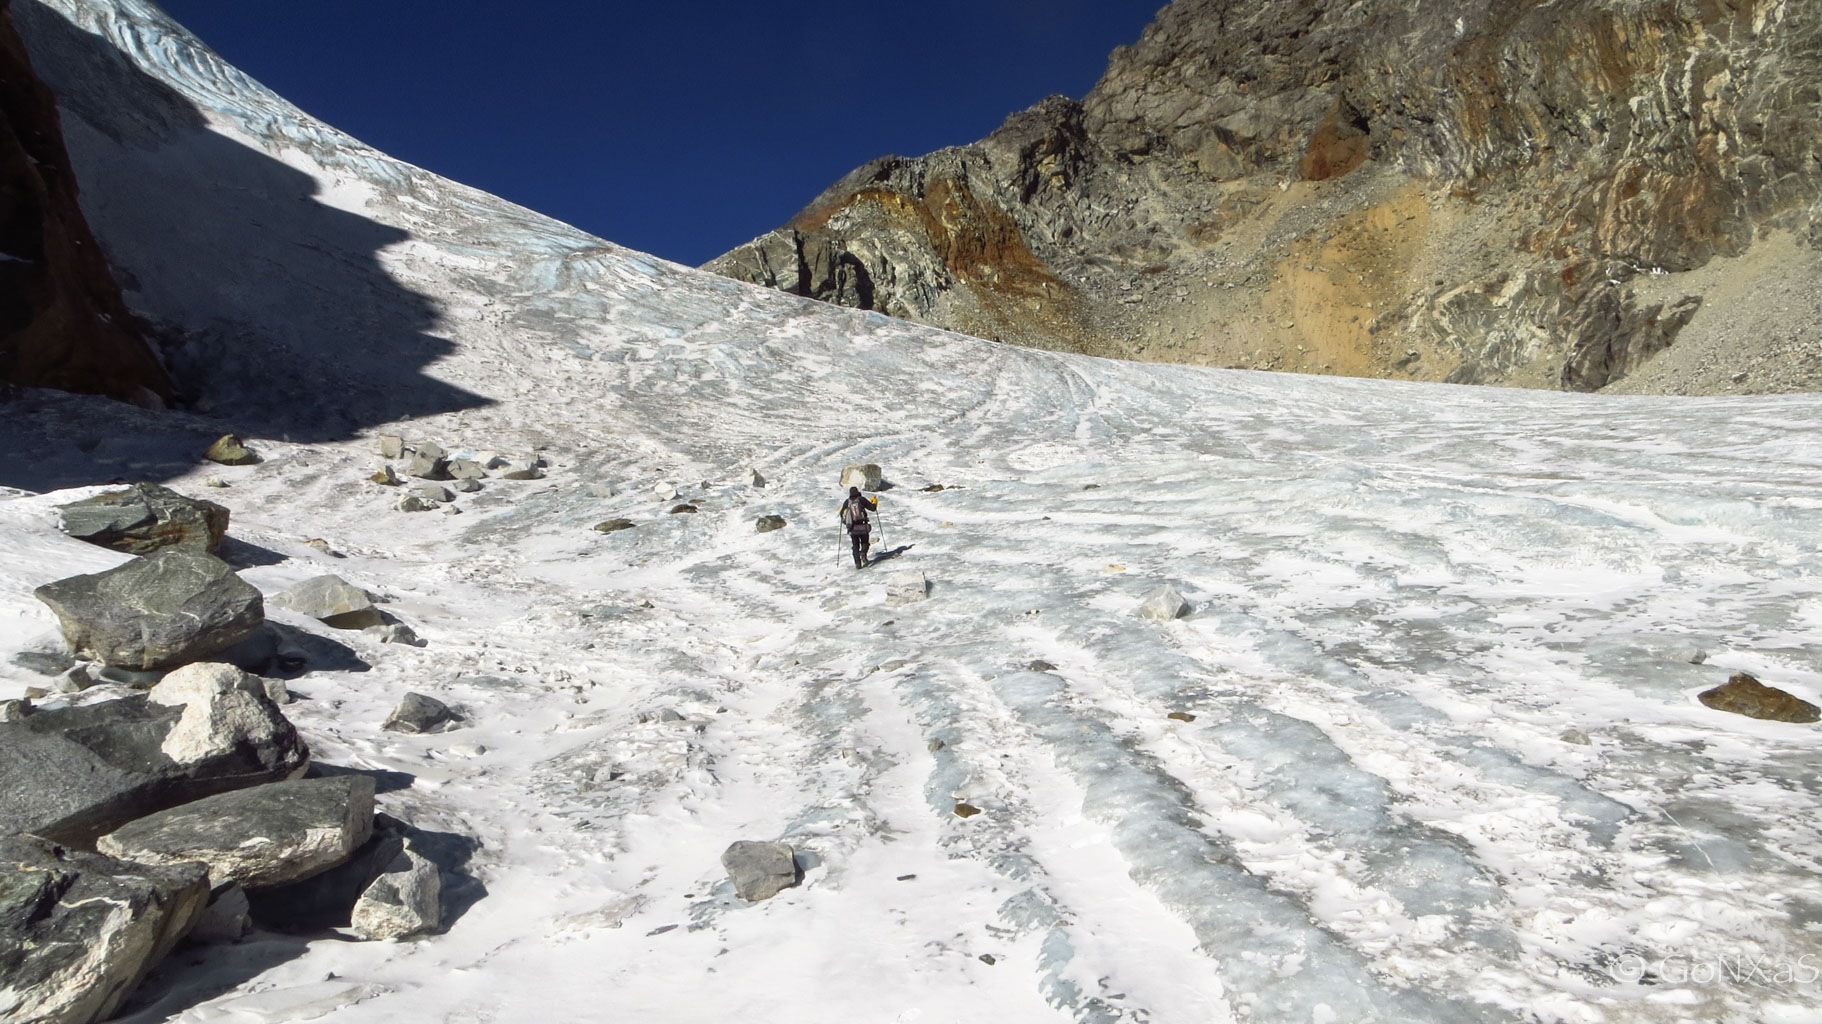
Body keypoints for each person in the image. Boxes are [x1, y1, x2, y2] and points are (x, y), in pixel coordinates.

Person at [838, 486, 877, 569]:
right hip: (862, 525)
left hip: (852, 527)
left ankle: (857, 564)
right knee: (865, 542)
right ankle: (863, 553)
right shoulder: (861, 499)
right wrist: (874, 502)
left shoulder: (847, 502)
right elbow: (873, 508)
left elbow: (843, 516)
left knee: (855, 546)